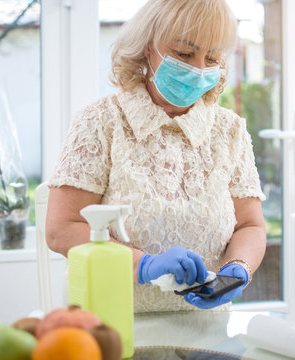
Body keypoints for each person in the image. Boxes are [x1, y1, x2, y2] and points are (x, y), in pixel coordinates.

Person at [46, 0, 267, 313]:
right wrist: (142, 265)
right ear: (148, 47)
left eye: (212, 58)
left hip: (207, 326)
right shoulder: (102, 122)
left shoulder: (229, 131)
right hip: (114, 323)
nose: (198, 69)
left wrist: (238, 268)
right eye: (184, 53)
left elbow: (251, 226)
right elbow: (60, 229)